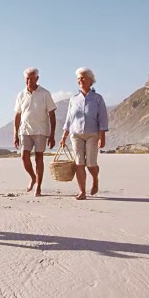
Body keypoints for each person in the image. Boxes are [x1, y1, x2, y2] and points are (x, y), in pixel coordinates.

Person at [60, 67, 109, 200]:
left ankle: (95, 179)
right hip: (76, 134)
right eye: (78, 79)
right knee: (79, 163)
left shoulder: (98, 98)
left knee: (91, 164)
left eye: (83, 78)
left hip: (93, 134)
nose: (80, 81)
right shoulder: (73, 99)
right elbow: (69, 119)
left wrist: (102, 136)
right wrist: (64, 135)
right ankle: (82, 191)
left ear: (90, 80)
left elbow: (103, 118)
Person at [14, 67, 57, 196]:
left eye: (31, 78)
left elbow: (52, 115)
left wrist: (52, 135)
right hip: (25, 130)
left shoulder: (45, 93)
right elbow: (17, 116)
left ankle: (38, 186)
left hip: (41, 131)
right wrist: (15, 134)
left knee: (39, 158)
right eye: (27, 78)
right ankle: (33, 177)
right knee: (24, 157)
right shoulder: (21, 94)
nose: (29, 81)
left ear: (37, 78)